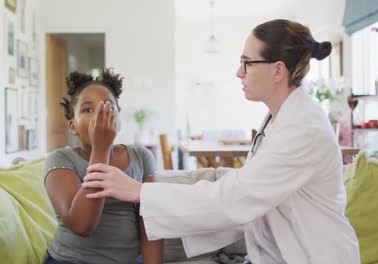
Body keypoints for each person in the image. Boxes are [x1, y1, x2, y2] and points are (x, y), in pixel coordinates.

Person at [82, 19, 360, 263]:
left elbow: (236, 198)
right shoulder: (280, 120)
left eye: (246, 63)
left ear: (277, 70)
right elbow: (247, 204)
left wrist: (139, 191)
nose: (239, 73)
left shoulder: (303, 129)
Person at [43, 69, 163, 264]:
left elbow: (151, 226)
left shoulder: (141, 157)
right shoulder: (60, 159)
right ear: (72, 125)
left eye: (108, 108)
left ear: (118, 120)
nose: (100, 115)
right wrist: (101, 150)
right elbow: (82, 225)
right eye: (88, 110)